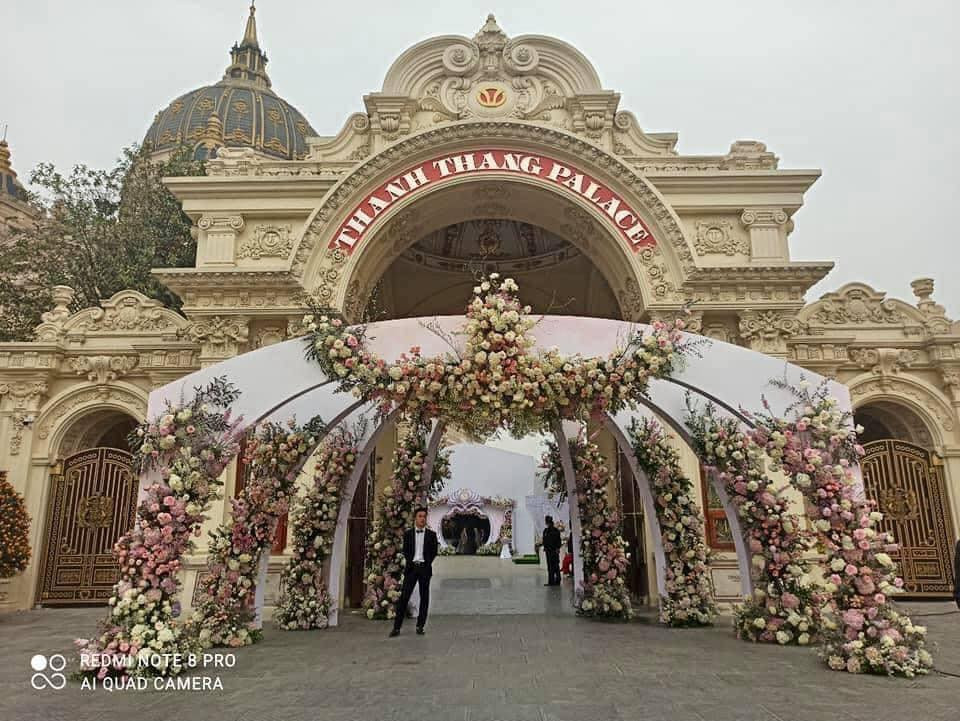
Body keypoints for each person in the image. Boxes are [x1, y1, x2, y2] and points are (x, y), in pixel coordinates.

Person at [390, 507, 438, 637]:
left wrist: (426, 563)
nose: (422, 519)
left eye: (424, 516)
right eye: (420, 516)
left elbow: (434, 552)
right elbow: (406, 550)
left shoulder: (432, 535)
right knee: (404, 597)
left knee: (424, 598)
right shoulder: (408, 534)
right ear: (415, 518)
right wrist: (411, 562)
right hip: (411, 569)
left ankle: (420, 626)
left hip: (424, 569)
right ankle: (396, 628)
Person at [542, 515, 562, 586]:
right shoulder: (554, 530)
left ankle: (552, 581)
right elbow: (559, 541)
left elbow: (545, 540)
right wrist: (558, 548)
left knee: (551, 566)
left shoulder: (547, 531)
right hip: (552, 550)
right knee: (555, 565)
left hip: (551, 551)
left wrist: (546, 547)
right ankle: (557, 580)